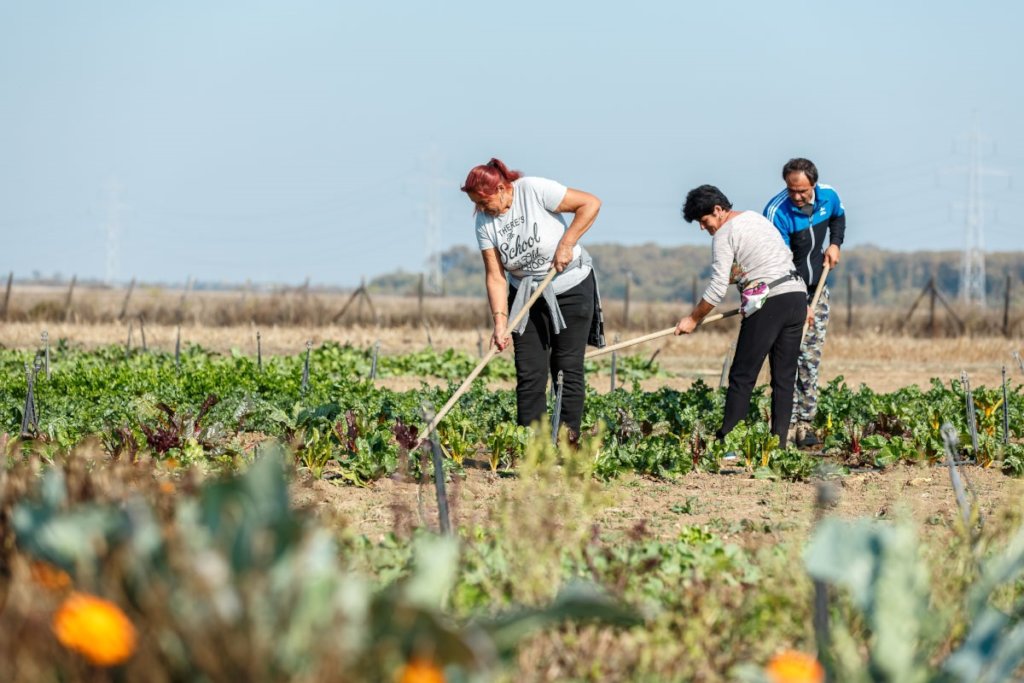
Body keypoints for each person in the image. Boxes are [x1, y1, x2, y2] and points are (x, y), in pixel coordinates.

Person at [461, 158, 605, 441]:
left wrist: (567, 243)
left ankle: (567, 444)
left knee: (566, 368)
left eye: (483, 201)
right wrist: (500, 323)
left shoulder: (533, 189)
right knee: (529, 371)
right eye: (475, 203)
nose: (480, 208)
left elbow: (590, 204)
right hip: (525, 295)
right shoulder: (483, 221)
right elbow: (495, 275)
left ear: (502, 188)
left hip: (571, 288)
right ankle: (529, 446)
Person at [676, 185, 807, 448]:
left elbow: (716, 289)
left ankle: (726, 443)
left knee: (742, 375)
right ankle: (778, 447)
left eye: (704, 221)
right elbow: (770, 259)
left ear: (718, 210)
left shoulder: (725, 233)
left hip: (770, 300)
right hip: (796, 296)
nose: (704, 228)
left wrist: (692, 319)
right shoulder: (755, 218)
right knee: (784, 377)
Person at [763, 158, 846, 447]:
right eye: (791, 190)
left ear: (813, 184)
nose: (797, 197)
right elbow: (780, 263)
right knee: (787, 357)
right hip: (785, 290)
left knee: (809, 357)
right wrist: (800, 305)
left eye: (802, 191)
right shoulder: (776, 212)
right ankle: (784, 425)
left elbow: (838, 218)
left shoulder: (829, 196)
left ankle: (805, 425)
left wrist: (835, 244)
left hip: (817, 289)